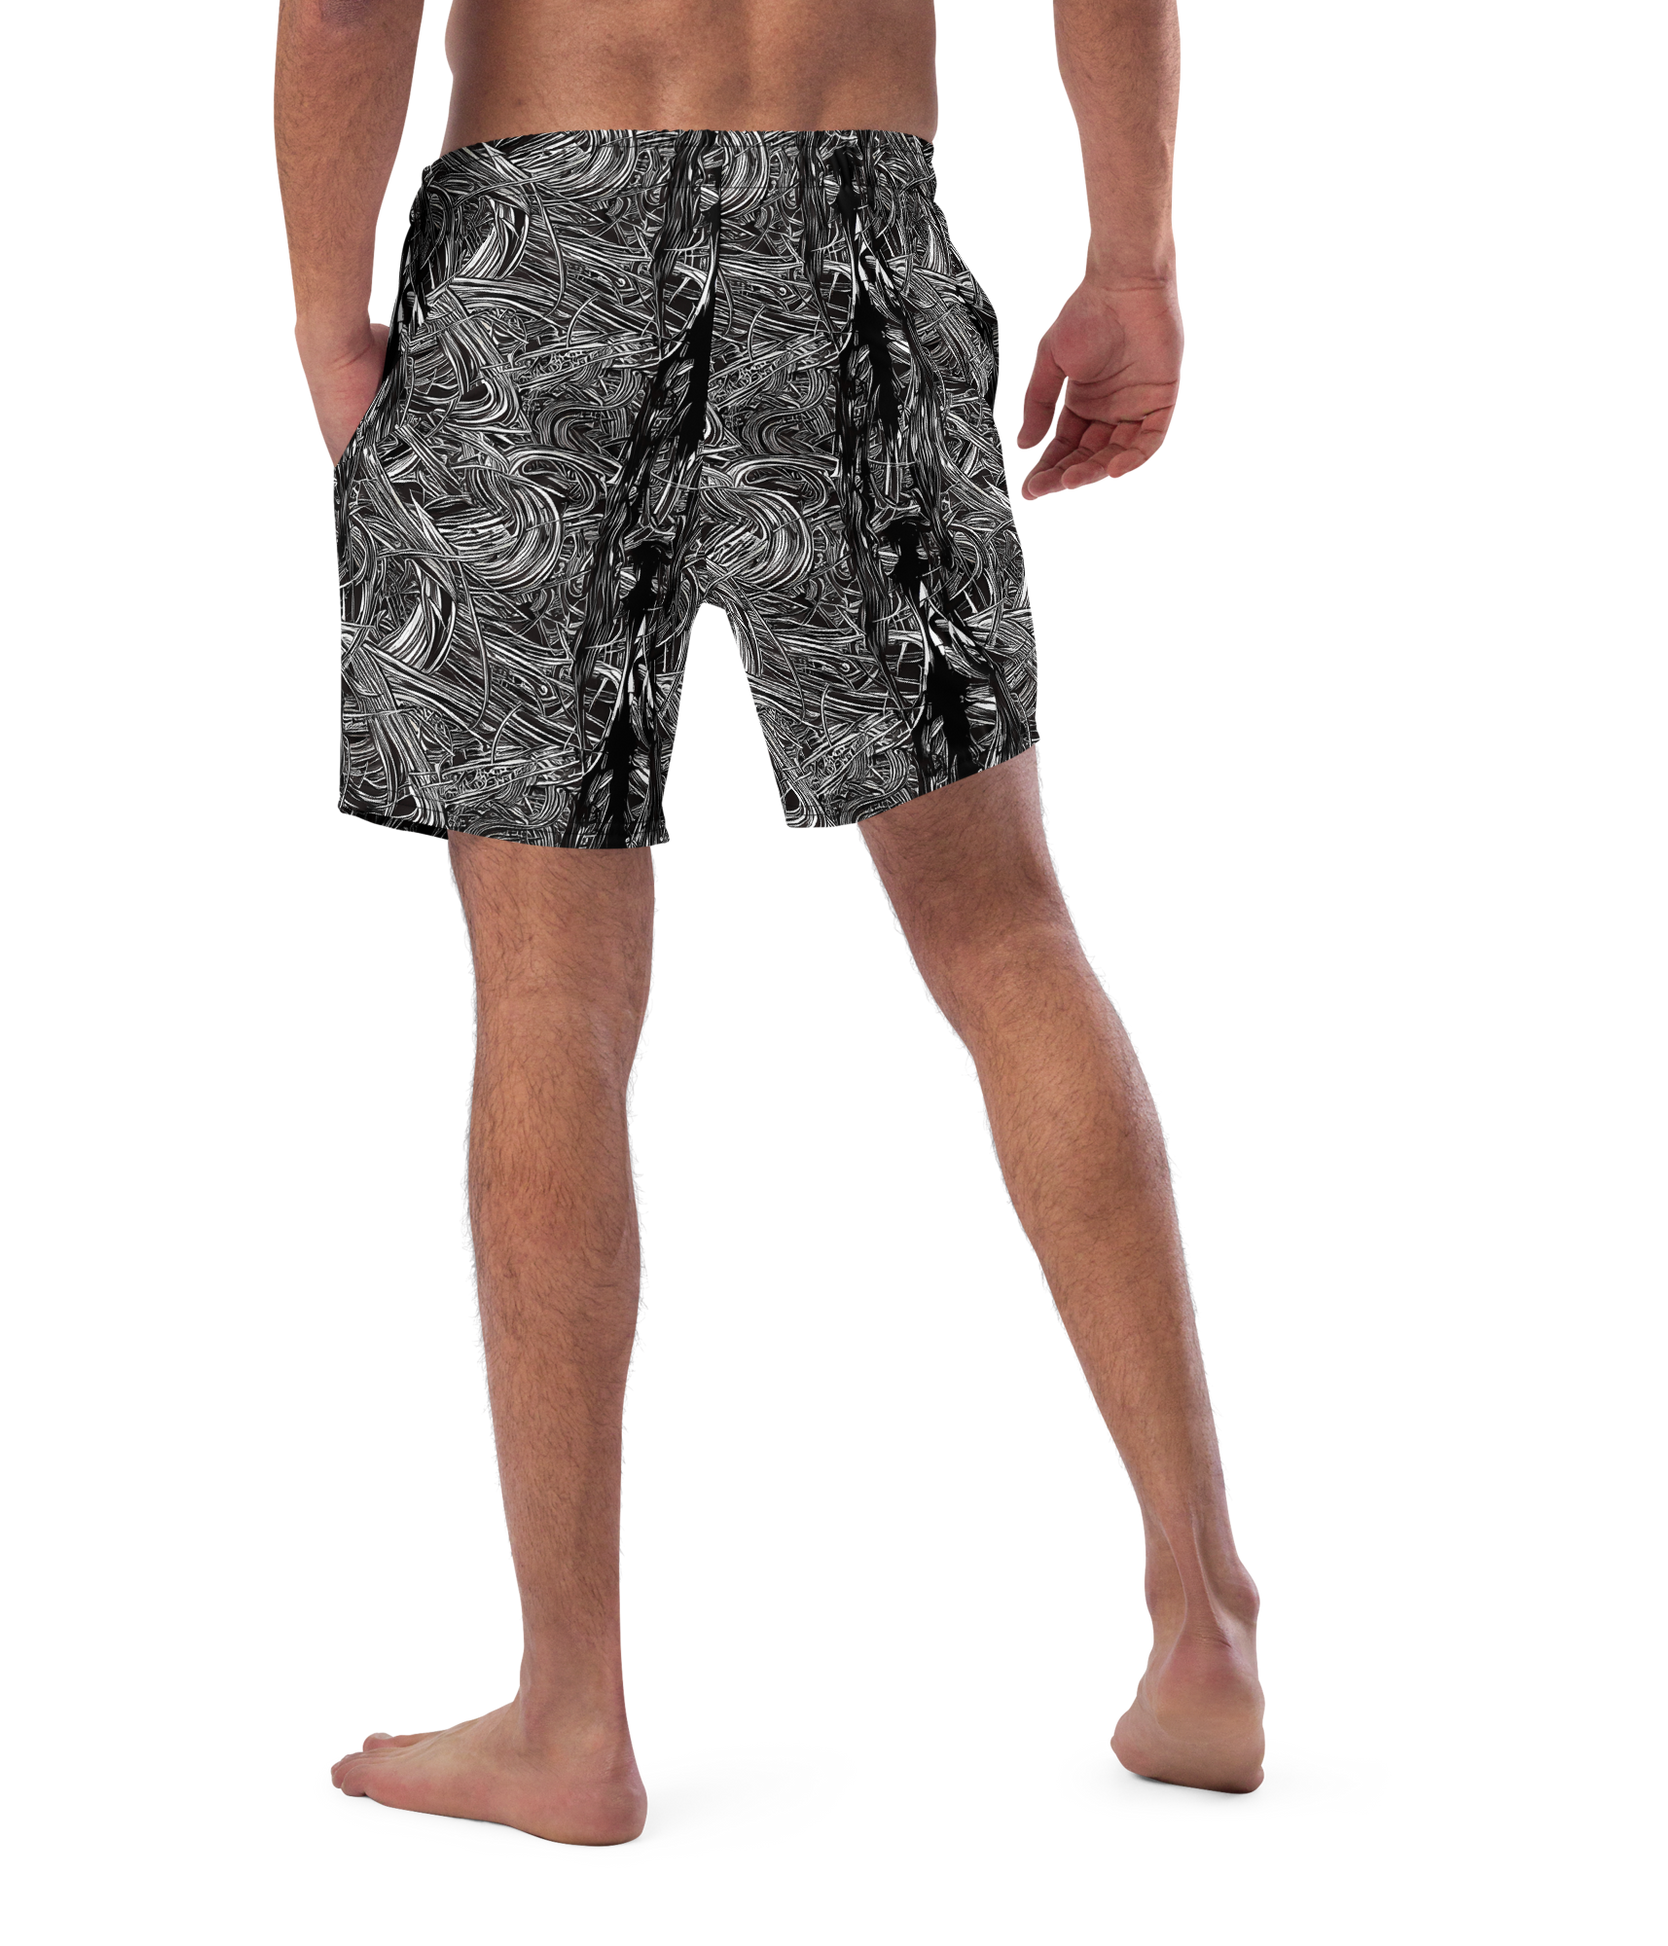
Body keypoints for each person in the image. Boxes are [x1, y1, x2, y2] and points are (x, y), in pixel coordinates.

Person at [275, 0, 1263, 1843]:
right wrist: (1133, 253)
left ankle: (572, 1715)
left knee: (551, 989)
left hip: (533, 241)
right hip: (850, 205)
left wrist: (329, 320)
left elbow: (343, 8)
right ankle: (1200, 1613)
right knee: (1003, 926)